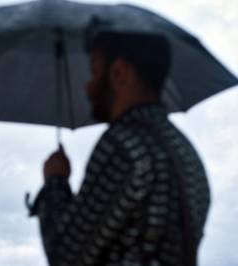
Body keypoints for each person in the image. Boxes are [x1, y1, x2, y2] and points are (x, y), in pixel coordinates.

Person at [29, 30, 210, 266]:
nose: (88, 87)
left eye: (94, 71)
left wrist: (55, 182)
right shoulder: (186, 154)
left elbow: (67, 255)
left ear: (119, 73)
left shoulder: (123, 147)